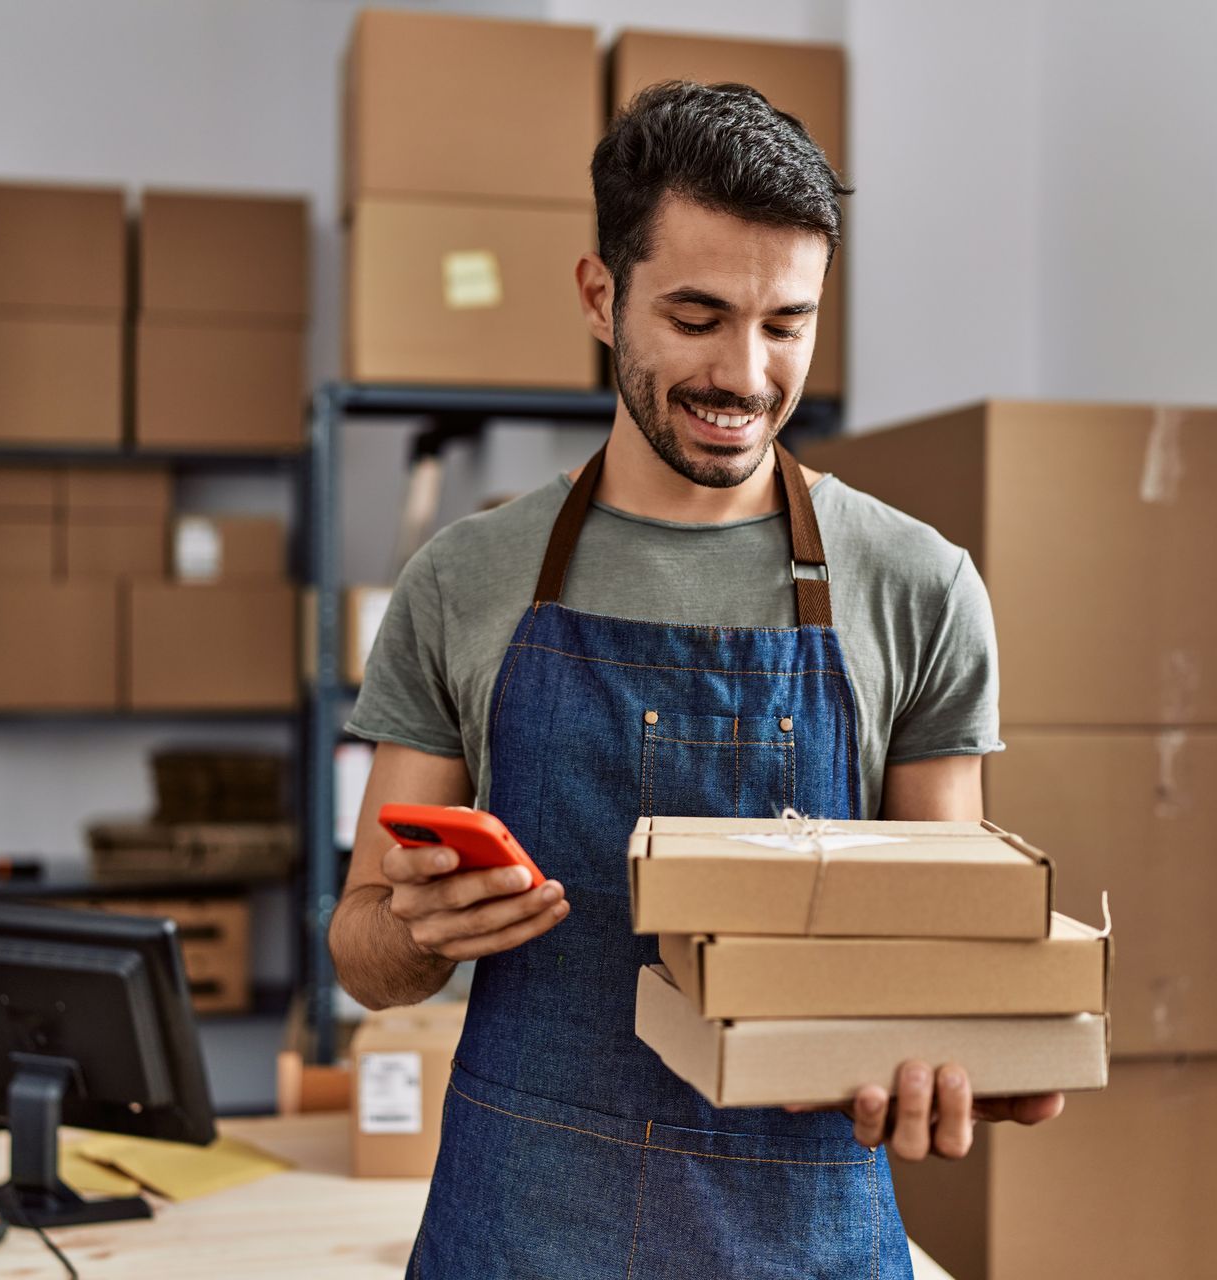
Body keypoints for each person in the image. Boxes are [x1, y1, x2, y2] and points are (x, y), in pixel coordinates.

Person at [329, 80, 1064, 1277]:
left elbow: (939, 947)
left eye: (787, 323)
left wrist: (947, 1055)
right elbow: (360, 944)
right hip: (523, 1230)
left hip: (804, 1235)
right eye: (698, 314)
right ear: (600, 295)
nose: (746, 373)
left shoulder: (920, 587)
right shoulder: (465, 578)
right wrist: (419, 931)